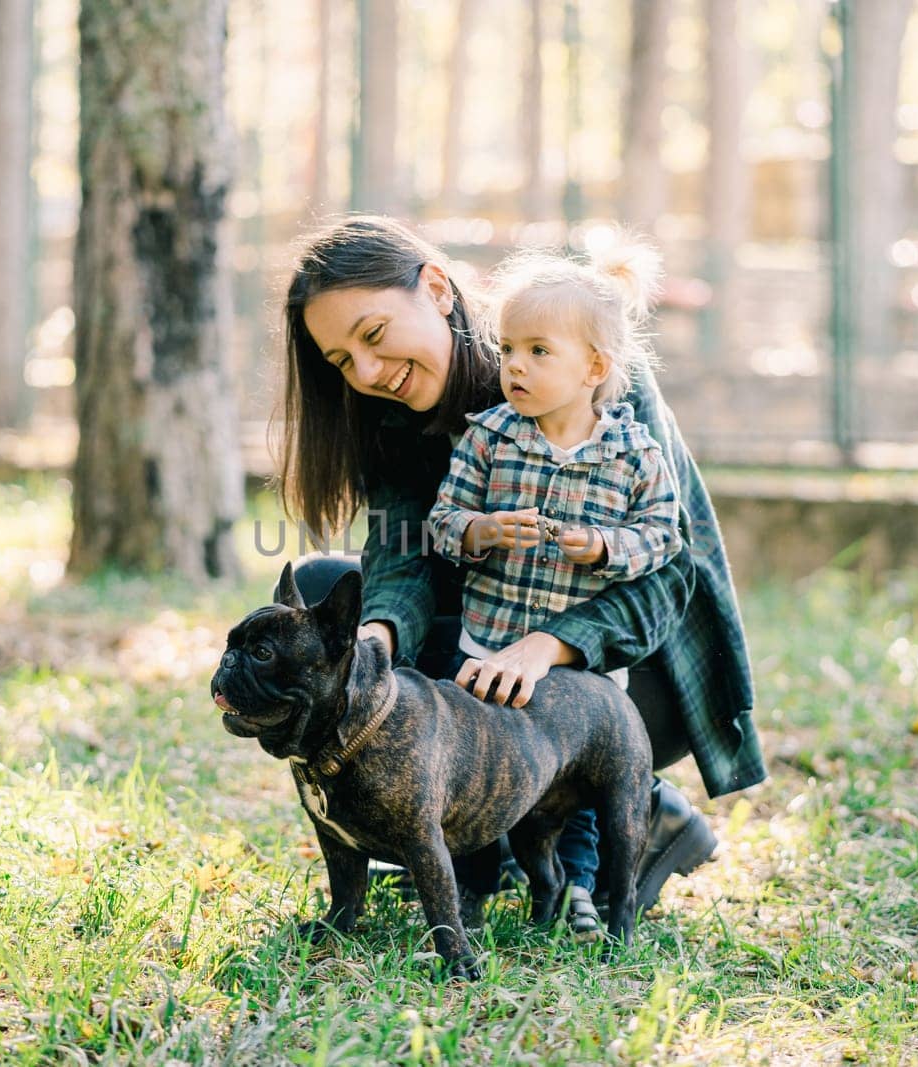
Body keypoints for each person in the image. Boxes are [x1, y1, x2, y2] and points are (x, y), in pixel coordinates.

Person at [275, 215, 765, 934]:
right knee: (323, 596)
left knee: (526, 670)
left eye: (373, 335)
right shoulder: (397, 423)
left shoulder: (579, 359)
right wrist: (375, 636)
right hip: (494, 653)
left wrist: (549, 647)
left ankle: (638, 813)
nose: (368, 372)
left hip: (632, 679)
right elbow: (403, 556)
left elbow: (665, 577)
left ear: (436, 288)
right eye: (343, 362)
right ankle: (469, 829)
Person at [423, 242, 683, 934]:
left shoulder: (633, 453)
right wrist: (482, 530)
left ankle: (578, 891)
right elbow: (443, 523)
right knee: (474, 766)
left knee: (584, 783)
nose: (514, 366)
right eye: (507, 347)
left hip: (580, 669)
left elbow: (663, 536)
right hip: (488, 642)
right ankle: (469, 886)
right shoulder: (489, 438)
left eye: (539, 351)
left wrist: (604, 546)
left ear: (594, 368)